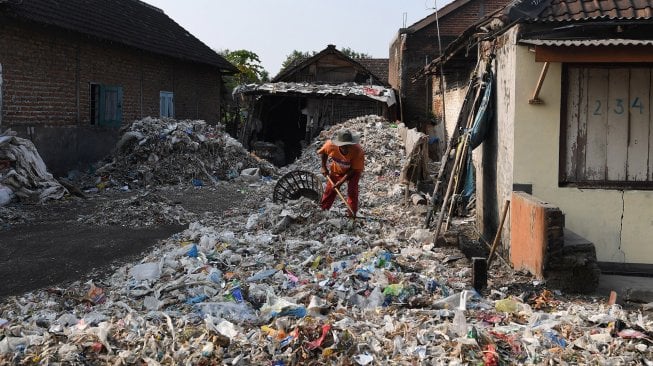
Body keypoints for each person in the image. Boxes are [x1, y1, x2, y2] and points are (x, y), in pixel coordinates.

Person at [317, 129, 364, 217]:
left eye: (348, 146)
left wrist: (341, 181)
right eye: (343, 146)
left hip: (353, 172)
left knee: (352, 192)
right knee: (330, 189)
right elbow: (324, 152)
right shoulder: (330, 145)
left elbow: (353, 169)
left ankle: (352, 215)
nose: (346, 148)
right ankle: (323, 210)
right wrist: (324, 167)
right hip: (337, 169)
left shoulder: (358, 150)